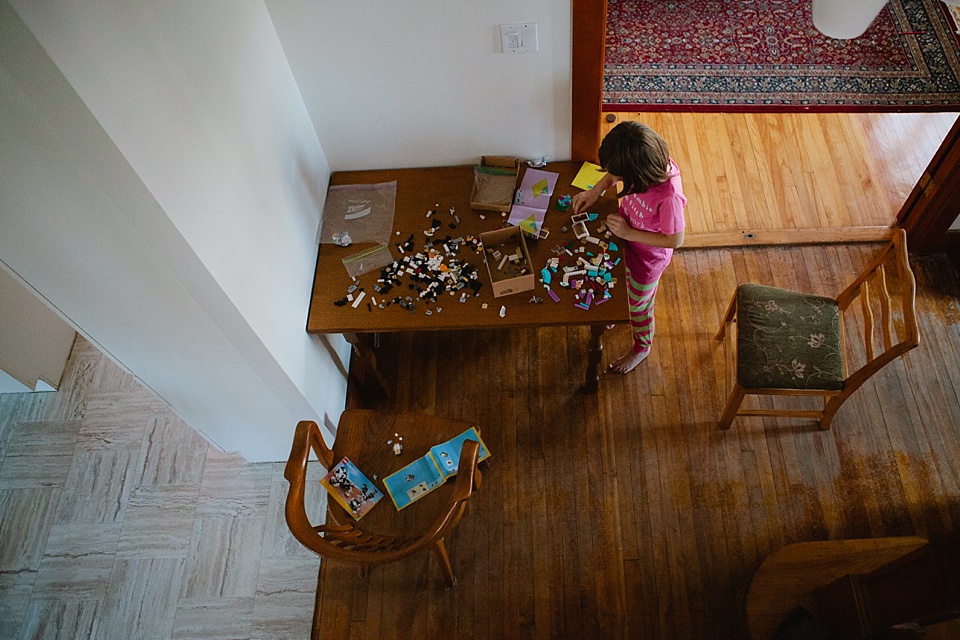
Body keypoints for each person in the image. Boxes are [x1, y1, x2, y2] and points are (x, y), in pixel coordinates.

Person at [571, 122, 687, 374]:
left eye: (621, 177)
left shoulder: (669, 197)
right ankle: (616, 314)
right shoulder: (640, 162)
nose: (616, 179)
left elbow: (675, 240)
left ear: (637, 175)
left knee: (639, 306)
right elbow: (613, 174)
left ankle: (642, 347)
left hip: (647, 260)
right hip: (624, 240)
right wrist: (595, 191)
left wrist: (629, 232)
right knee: (618, 288)